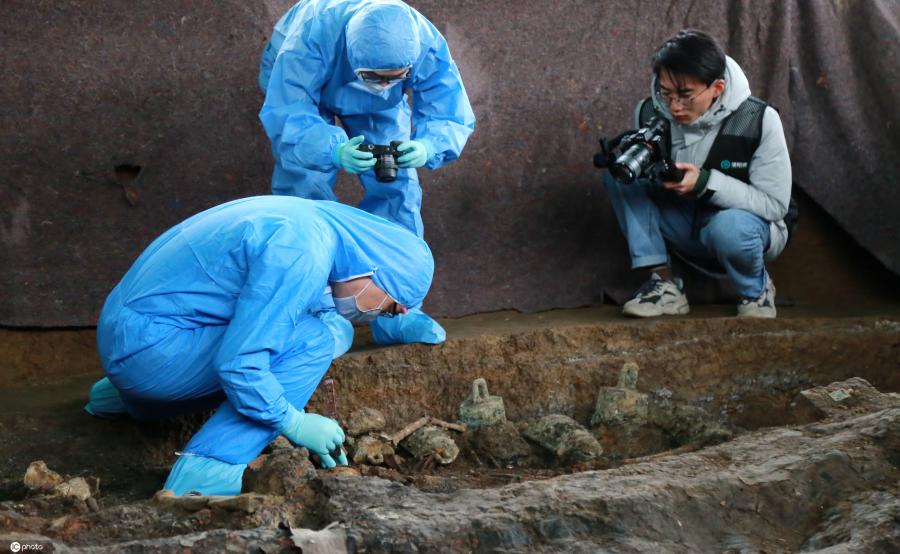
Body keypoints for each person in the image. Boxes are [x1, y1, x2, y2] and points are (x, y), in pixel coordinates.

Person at [84, 196, 434, 496]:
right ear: (374, 270)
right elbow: (241, 365)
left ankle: (121, 399)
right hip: (149, 355)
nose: (378, 315)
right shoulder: (302, 252)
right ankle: (209, 472)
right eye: (389, 306)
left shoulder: (307, 222)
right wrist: (292, 422)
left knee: (307, 326)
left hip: (126, 334)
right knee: (314, 340)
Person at [258, 0, 475, 347]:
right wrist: (330, 148)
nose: (381, 84)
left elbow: (449, 107)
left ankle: (396, 310)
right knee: (304, 191)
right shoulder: (309, 38)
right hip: (302, 86)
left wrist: (429, 146)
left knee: (399, 189)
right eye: (373, 78)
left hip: (381, 109)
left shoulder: (423, 41)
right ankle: (314, 315)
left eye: (395, 78)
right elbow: (289, 110)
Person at [602, 29, 792, 319]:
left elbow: (775, 205)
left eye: (685, 95)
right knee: (621, 174)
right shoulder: (650, 112)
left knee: (730, 228)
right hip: (685, 222)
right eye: (666, 93)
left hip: (744, 229)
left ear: (716, 88)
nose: (674, 106)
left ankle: (756, 291)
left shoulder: (757, 119)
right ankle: (664, 286)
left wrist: (706, 183)